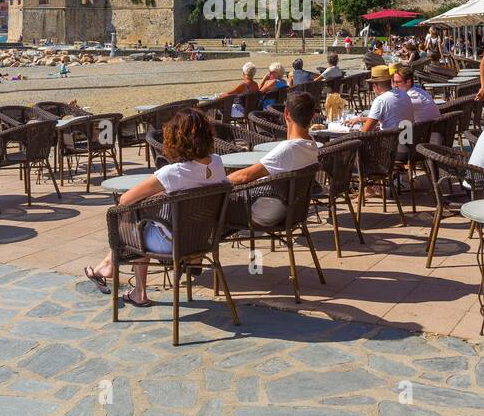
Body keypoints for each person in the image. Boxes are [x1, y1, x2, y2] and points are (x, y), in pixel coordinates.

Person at [83, 108, 225, 307]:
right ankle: (107, 266)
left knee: (134, 221)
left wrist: (155, 195)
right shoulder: (217, 164)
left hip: (172, 243)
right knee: (142, 220)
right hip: (204, 239)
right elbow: (193, 188)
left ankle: (136, 289)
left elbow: (125, 199)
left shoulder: (171, 173)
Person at [227, 91, 320, 193]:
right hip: (291, 201)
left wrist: (219, 182)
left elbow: (244, 176)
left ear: (287, 113)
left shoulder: (289, 149)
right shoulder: (311, 142)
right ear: (312, 115)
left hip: (265, 201)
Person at [348, 64, 414, 131]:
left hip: (390, 139)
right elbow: (392, 119)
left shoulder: (380, 100)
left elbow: (365, 132)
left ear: (375, 85)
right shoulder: (404, 94)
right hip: (407, 137)